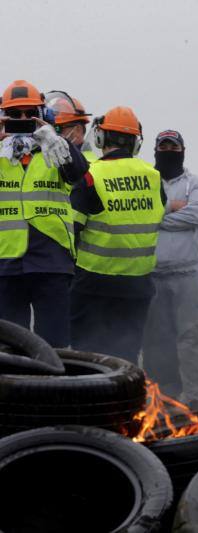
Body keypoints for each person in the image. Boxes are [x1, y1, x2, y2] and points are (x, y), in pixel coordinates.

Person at [60, 106, 166, 363]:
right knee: (125, 360)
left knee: (86, 360)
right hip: (137, 286)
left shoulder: (91, 175)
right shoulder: (154, 178)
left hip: (92, 285)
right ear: (136, 142)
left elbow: (70, 232)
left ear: (100, 138)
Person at [141, 130, 198, 409]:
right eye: (163, 146)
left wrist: (157, 217)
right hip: (152, 274)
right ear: (156, 150)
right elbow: (140, 215)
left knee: (195, 338)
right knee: (157, 342)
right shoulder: (146, 181)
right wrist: (172, 208)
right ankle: (164, 400)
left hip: (190, 274)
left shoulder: (196, 183)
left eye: (173, 146)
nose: (168, 150)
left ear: (183, 149)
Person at [0, 80, 75, 347]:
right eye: (14, 114)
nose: (22, 119)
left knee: (56, 347)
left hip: (51, 260)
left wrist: (55, 138)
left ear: (42, 115)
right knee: (10, 349)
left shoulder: (54, 149)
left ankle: (58, 389)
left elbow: (79, 173)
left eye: (29, 113)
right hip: (6, 264)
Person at [43, 90, 95, 159]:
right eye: (50, 129)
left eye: (57, 129)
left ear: (78, 130)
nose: (53, 135)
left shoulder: (89, 164)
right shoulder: (53, 159)